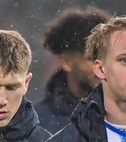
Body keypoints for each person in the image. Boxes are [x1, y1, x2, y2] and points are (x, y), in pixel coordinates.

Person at [34, 5, 111, 133]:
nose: (101, 67)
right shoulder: (38, 124)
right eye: (90, 59)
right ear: (66, 62)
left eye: (106, 57)